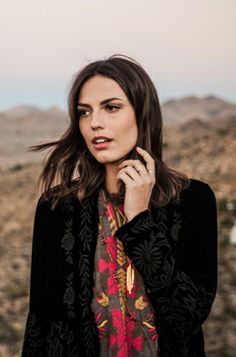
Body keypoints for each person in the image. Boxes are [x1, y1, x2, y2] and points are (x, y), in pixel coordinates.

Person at [21, 54, 218, 357]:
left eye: (111, 107)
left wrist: (139, 219)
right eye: (84, 112)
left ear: (143, 113)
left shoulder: (193, 200)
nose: (94, 123)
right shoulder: (56, 208)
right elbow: (41, 325)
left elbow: (186, 316)